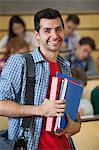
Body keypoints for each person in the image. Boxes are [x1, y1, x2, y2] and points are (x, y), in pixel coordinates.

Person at [0, 8, 81, 150]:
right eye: (47, 30)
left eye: (58, 29)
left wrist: (77, 123)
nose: (54, 35)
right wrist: (40, 110)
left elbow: (69, 108)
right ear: (37, 35)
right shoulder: (20, 62)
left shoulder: (65, 65)